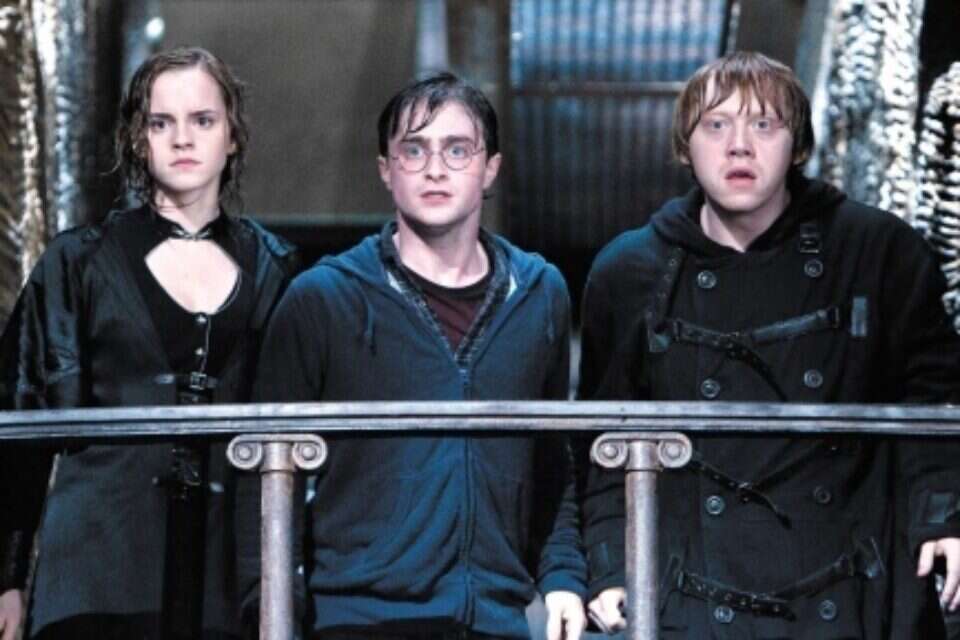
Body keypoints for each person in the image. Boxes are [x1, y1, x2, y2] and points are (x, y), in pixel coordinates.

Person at [577, 51, 960, 638]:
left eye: (764, 124)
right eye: (716, 125)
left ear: (797, 145)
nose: (739, 146)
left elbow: (934, 400)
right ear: (685, 146)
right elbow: (604, 443)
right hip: (692, 604)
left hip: (849, 597)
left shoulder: (879, 252)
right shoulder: (629, 273)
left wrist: (945, 516)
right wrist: (608, 567)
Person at [237, 72, 586, 640]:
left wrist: (563, 575)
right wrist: (269, 608)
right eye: (414, 150)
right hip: (357, 619)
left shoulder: (540, 295)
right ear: (386, 169)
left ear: (490, 169)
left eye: (457, 150)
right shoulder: (324, 299)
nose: (435, 169)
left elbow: (552, 462)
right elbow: (263, 472)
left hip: (497, 620)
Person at [0, 47, 298, 639]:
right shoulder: (78, 262)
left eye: (202, 120)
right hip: (97, 569)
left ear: (232, 136)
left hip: (222, 579)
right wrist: (6, 576)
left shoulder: (273, 267)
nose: (182, 139)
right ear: (139, 139)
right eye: (162, 123)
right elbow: (17, 421)